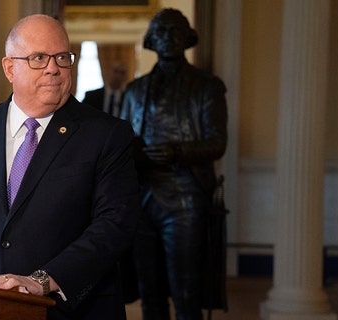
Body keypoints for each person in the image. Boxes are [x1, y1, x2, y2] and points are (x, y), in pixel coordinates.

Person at [0, 14, 140, 320]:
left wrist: (41, 281)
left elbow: (114, 226)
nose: (54, 68)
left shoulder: (107, 134)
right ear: (10, 68)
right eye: (39, 58)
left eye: (62, 57)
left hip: (71, 310)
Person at [119, 8, 228, 320]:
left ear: (187, 37)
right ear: (152, 39)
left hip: (185, 197)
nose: (168, 37)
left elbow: (217, 143)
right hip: (142, 198)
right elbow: (123, 143)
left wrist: (177, 151)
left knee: (186, 291)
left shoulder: (208, 87)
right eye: (162, 31)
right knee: (149, 290)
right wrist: (139, 154)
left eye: (176, 30)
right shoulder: (135, 90)